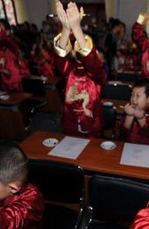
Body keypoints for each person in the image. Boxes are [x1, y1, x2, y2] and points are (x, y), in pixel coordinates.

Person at [54, 1, 107, 137]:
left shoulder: (98, 74)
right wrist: (66, 29)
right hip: (70, 126)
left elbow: (92, 64)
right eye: (75, 47)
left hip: (91, 128)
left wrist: (77, 29)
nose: (79, 52)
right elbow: (60, 59)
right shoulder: (69, 71)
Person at [119, 79, 149, 145]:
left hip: (147, 149)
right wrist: (129, 116)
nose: (133, 99)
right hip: (128, 146)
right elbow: (123, 131)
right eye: (132, 95)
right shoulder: (129, 111)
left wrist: (141, 119)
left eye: (138, 96)